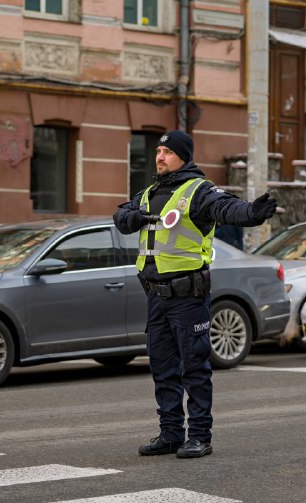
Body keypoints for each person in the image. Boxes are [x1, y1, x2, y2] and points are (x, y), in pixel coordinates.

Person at [113, 130, 277, 459]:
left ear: (183, 156)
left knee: (195, 368)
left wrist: (254, 213)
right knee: (162, 367)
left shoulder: (198, 191)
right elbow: (121, 215)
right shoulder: (149, 193)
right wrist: (131, 217)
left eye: (167, 152)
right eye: (158, 151)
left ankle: (200, 436)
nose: (159, 157)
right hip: (156, 297)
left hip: (188, 297)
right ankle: (171, 433)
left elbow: (228, 209)